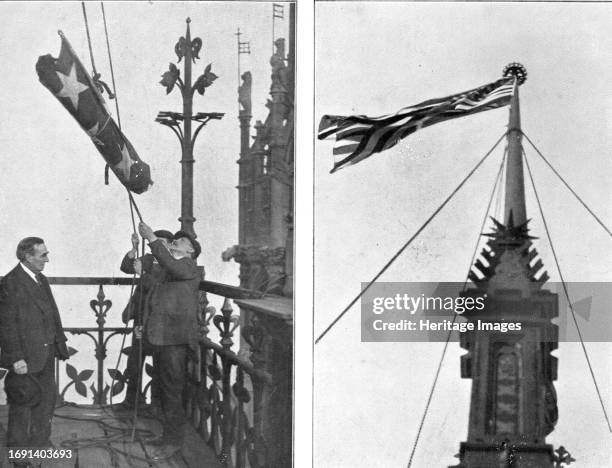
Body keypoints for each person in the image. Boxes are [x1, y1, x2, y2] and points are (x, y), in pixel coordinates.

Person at [0, 237, 70, 468]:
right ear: (27, 256)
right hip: (25, 358)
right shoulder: (10, 283)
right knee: (22, 405)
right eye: (42, 255)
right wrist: (16, 358)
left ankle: (40, 444)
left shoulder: (40, 279)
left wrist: (60, 344)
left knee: (45, 401)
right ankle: (18, 455)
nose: (47, 259)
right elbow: (6, 325)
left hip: (45, 354)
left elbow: (52, 314)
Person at [137, 222, 201, 461]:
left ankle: (173, 442)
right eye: (178, 238)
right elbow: (152, 294)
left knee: (172, 391)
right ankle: (167, 436)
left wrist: (153, 238)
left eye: (184, 241)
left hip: (175, 341)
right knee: (165, 389)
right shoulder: (169, 269)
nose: (178, 240)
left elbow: (171, 264)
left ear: (191, 251)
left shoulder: (187, 266)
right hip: (162, 337)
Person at [115, 230, 174, 413]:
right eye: (157, 241)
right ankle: (132, 402)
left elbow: (159, 289)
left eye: (163, 242)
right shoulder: (149, 258)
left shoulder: (172, 264)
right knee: (135, 361)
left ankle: (157, 404)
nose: (159, 245)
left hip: (159, 320)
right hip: (141, 316)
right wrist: (133, 249)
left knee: (159, 362)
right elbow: (126, 267)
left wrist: (143, 274)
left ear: (170, 245)